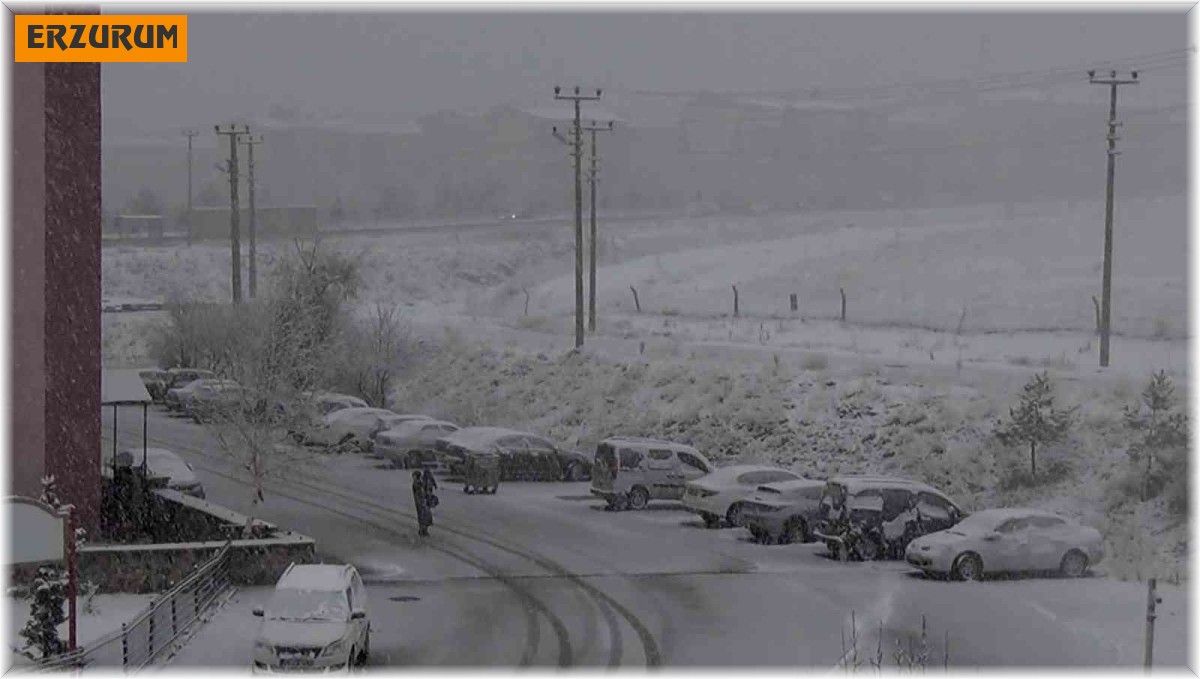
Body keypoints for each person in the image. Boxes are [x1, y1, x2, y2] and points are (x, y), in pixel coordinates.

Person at [412, 471, 432, 537]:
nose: (413, 478)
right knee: (422, 517)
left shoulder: (420, 483)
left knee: (425, 516)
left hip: (423, 502)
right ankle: (422, 530)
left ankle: (424, 530)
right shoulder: (417, 484)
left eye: (414, 476)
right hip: (419, 503)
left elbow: (425, 492)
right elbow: (421, 492)